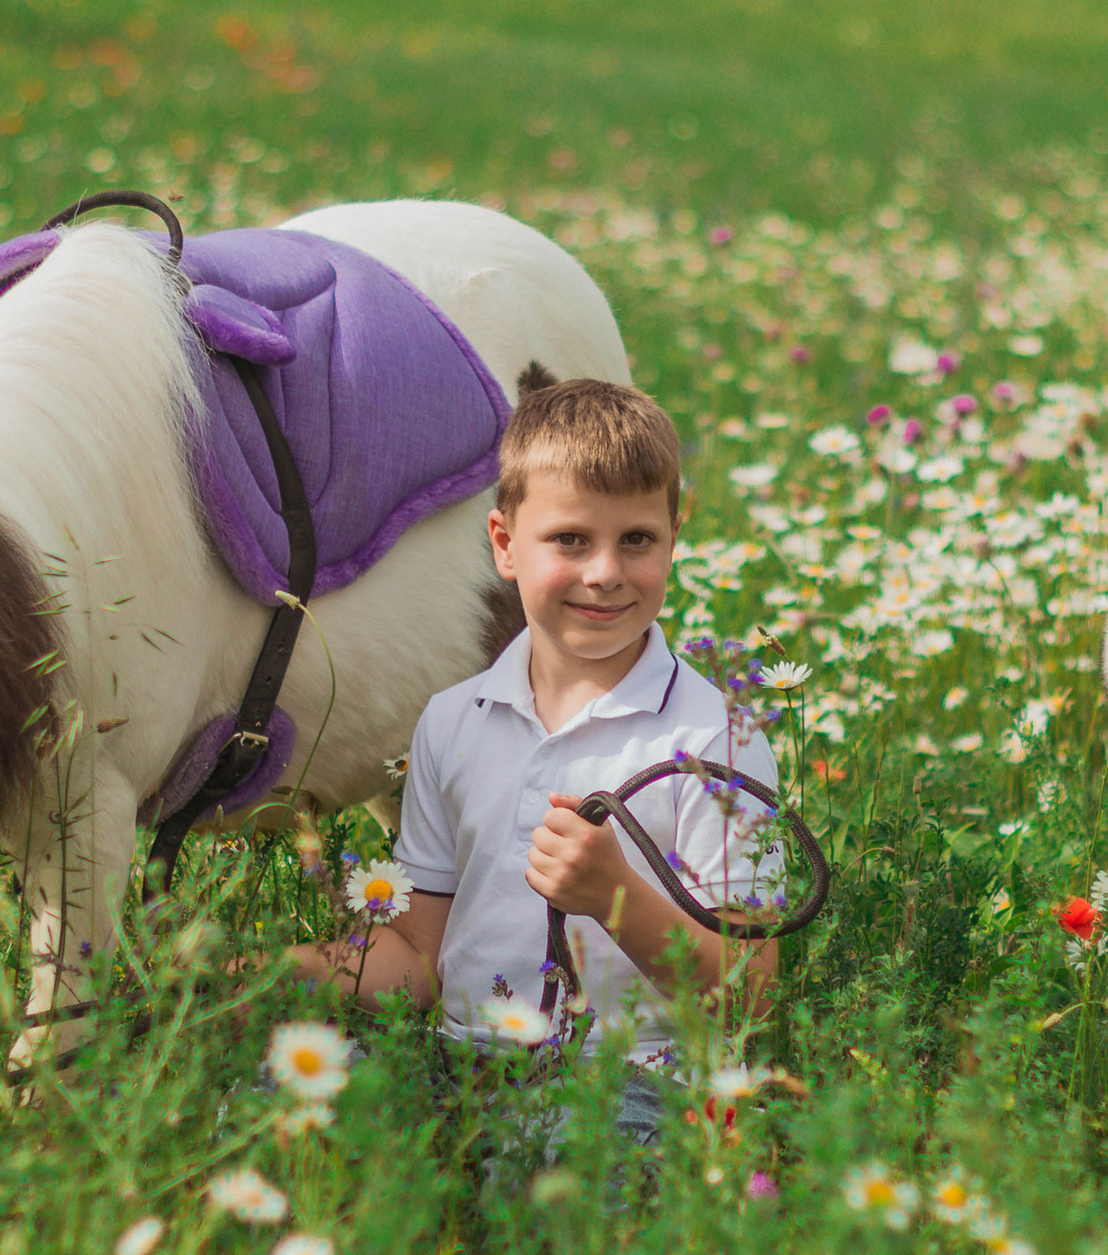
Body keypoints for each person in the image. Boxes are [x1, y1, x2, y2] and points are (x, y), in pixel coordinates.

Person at [284, 377, 783, 1139]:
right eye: (570, 539)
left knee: (564, 1169)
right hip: (458, 1063)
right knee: (267, 1104)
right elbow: (419, 957)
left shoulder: (717, 737)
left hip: (630, 1073)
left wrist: (613, 895)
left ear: (673, 539)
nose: (605, 571)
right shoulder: (455, 720)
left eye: (637, 539)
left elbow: (748, 993)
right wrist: (283, 970)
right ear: (504, 544)